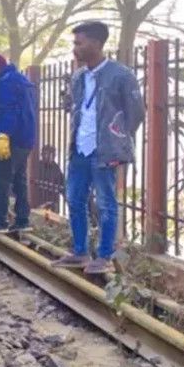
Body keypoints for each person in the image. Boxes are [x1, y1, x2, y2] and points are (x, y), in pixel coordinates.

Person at [53, 21, 145, 274]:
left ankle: (104, 256)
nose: (75, 48)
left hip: (106, 150)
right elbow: (75, 108)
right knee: (74, 199)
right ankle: (80, 252)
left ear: (95, 43)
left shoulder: (121, 75)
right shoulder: (79, 77)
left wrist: (118, 139)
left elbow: (136, 113)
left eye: (79, 43)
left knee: (106, 203)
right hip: (79, 149)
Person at [0, 53, 37, 234]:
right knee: (19, 179)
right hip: (27, 137)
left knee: (1, 179)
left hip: (12, 137)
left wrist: (4, 134)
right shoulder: (21, 79)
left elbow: (8, 110)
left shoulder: (5, 82)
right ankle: (22, 220)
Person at [37, 144, 66, 213]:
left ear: (54, 155)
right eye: (46, 154)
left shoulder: (56, 167)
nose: (48, 156)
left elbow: (62, 183)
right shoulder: (37, 166)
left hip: (53, 201)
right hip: (40, 199)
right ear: (42, 154)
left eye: (51, 154)